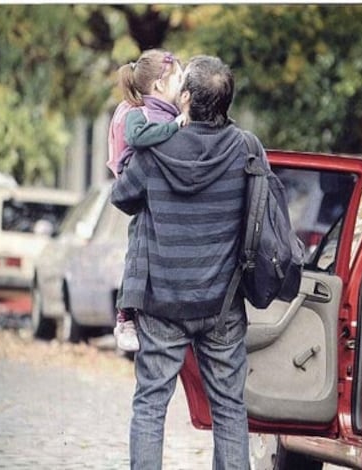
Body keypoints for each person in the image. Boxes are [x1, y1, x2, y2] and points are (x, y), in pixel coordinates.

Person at [111, 55, 254, 469]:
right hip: (221, 303)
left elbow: (122, 197)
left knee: (151, 405)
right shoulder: (245, 148)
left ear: (187, 97)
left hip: (162, 301)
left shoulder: (155, 148)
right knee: (229, 407)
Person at [108, 49, 185, 352]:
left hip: (156, 198)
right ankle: (124, 317)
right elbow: (140, 138)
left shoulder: (169, 114)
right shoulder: (137, 113)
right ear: (160, 85)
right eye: (180, 79)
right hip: (139, 190)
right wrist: (174, 128)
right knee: (137, 256)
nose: (184, 85)